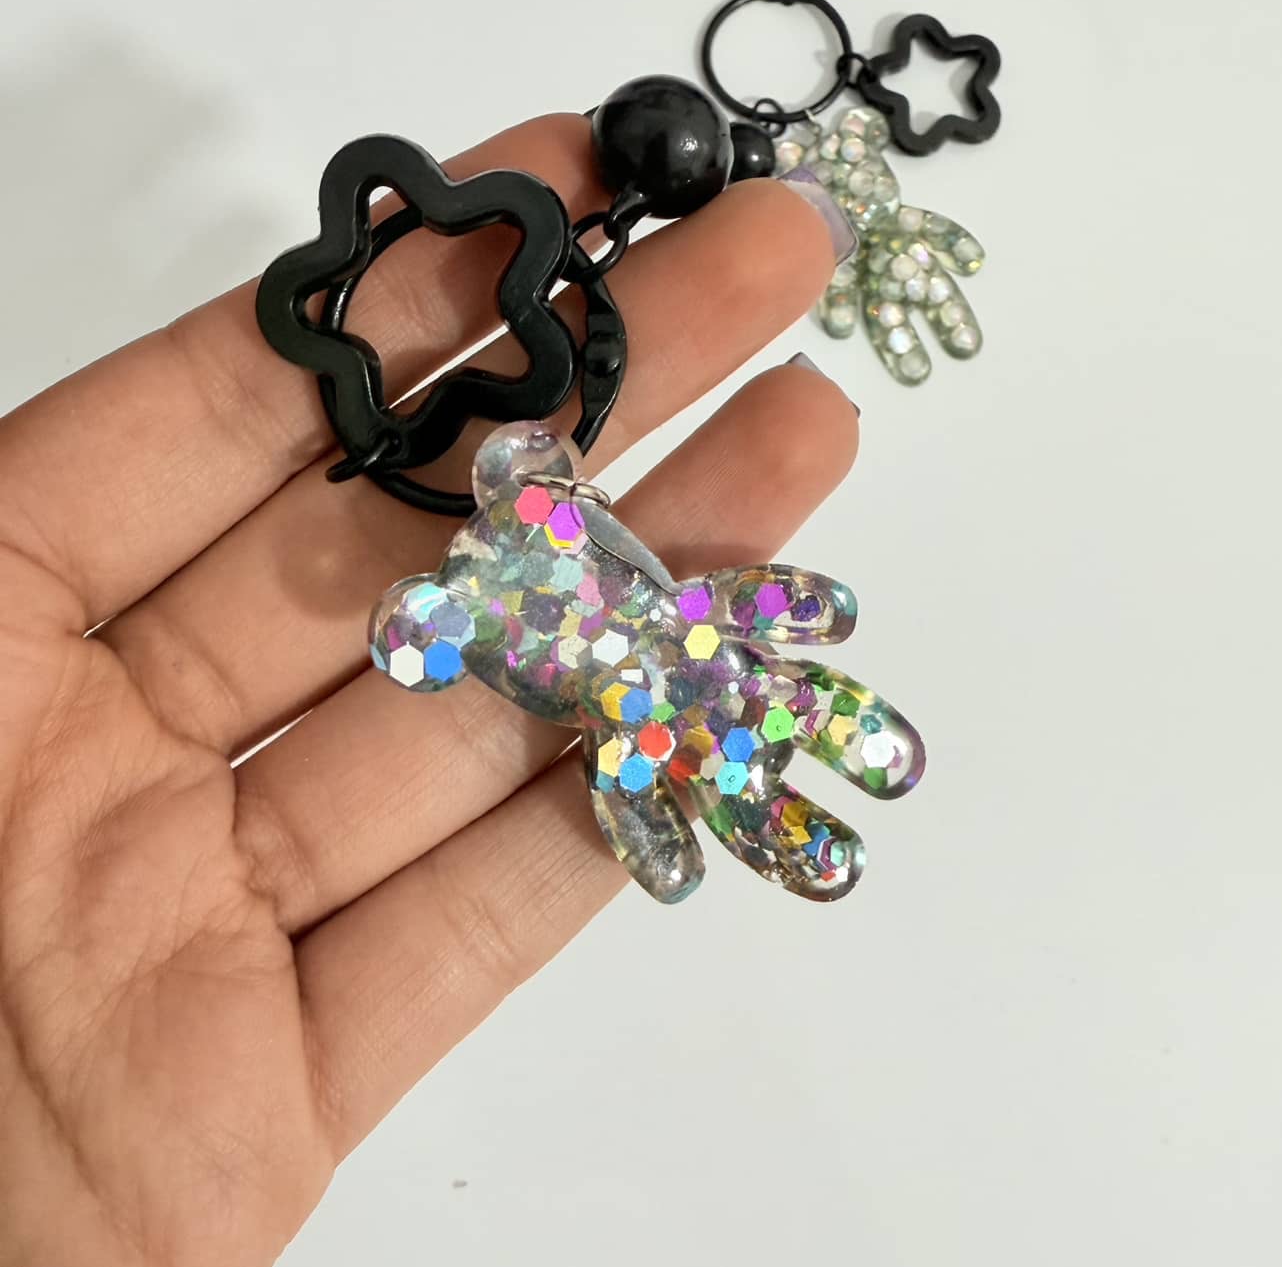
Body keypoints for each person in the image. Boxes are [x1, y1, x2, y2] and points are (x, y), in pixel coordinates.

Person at [0, 111, 856, 1265]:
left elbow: (755, 612)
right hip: (636, 698)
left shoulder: (588, 575)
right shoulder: (485, 601)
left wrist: (721, 630)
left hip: (671, 672)